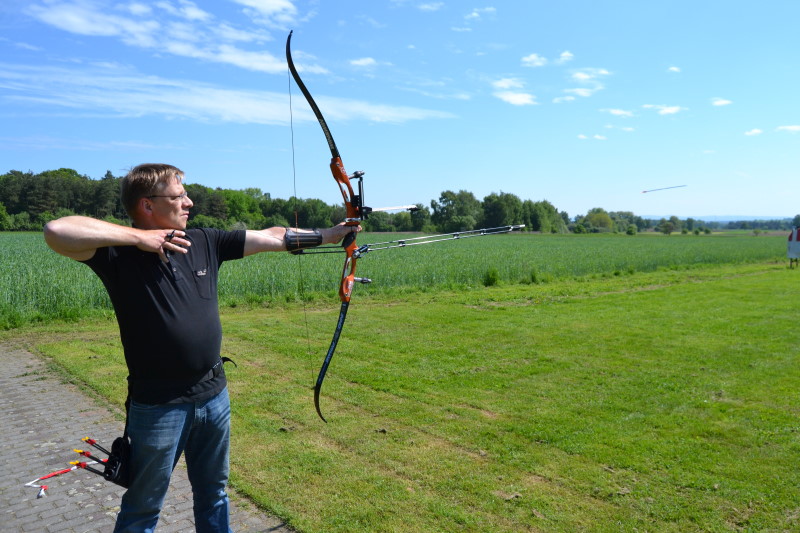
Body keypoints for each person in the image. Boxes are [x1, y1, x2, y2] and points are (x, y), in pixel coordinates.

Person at [43, 163, 358, 533]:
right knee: (144, 506)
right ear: (147, 205)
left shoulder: (204, 241)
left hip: (213, 395)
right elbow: (56, 231)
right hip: (159, 405)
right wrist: (141, 238)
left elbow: (272, 236)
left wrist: (330, 235)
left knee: (214, 493)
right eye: (178, 196)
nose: (189, 202)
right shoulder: (116, 255)